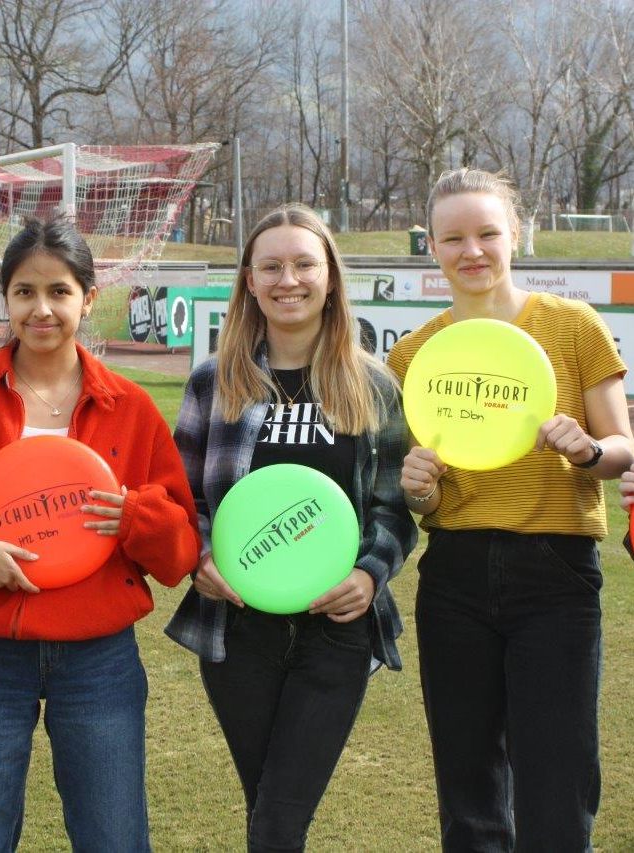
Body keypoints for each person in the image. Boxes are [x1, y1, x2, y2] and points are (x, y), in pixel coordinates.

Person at [0, 214, 200, 853]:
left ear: (88, 298)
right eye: (25, 291)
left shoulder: (129, 408)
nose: (42, 309)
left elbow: (180, 547)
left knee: (113, 836)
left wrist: (136, 517)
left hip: (98, 659)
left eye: (59, 291)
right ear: (5, 299)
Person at [387, 167, 634, 851]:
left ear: (514, 234)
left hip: (555, 572)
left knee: (555, 784)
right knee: (467, 790)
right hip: (454, 578)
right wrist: (417, 487)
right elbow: (420, 498)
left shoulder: (571, 325)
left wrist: (586, 450)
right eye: (452, 237)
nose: (472, 250)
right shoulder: (413, 355)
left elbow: (622, 447)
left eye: (486, 232)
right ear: (430, 247)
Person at [165, 203, 417, 851]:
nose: (288, 279)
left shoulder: (372, 386)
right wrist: (198, 557)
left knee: (277, 820)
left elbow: (392, 506)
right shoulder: (212, 385)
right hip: (237, 631)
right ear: (248, 280)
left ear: (329, 276)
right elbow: (178, 498)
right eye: (270, 265)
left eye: (304, 263)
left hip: (334, 633)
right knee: (269, 814)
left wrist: (369, 573)